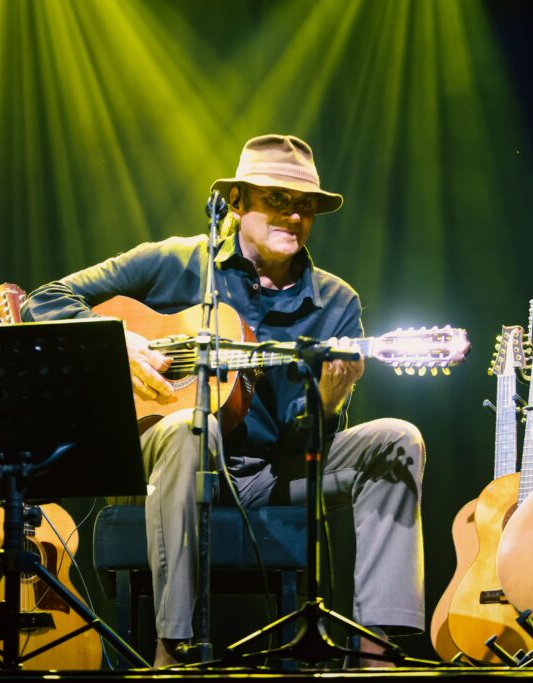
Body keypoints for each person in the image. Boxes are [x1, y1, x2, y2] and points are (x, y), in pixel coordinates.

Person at [22, 134, 425, 667]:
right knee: (194, 427)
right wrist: (120, 340)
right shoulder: (174, 262)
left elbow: (304, 445)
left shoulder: (336, 302)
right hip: (166, 460)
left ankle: (376, 651)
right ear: (236, 202)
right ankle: (174, 649)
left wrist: (328, 402)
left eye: (306, 205)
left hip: (273, 472)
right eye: (277, 199)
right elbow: (43, 301)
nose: (294, 215)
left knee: (398, 439)